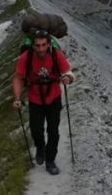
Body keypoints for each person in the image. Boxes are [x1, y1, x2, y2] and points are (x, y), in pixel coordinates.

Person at [12, 32, 74, 175]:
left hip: (54, 98)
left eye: (44, 45)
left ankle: (50, 161)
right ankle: (40, 148)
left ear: (48, 44)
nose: (41, 49)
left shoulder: (55, 54)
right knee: (36, 130)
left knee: (53, 132)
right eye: (38, 46)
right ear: (33, 46)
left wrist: (68, 79)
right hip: (35, 100)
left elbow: (68, 72)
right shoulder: (25, 58)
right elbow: (18, 78)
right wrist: (17, 98)